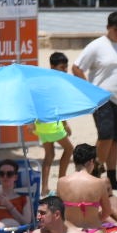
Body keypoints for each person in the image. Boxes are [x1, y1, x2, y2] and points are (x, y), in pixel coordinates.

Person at [74, 12, 117, 190]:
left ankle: (112, 179)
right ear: (108, 28)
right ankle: (94, 173)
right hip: (102, 98)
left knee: (115, 140)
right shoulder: (97, 46)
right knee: (105, 135)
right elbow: (77, 67)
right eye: (116, 30)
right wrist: (89, 89)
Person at [35, 52, 77, 194]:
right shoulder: (57, 81)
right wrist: (65, 124)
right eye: (62, 67)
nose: (65, 70)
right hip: (53, 123)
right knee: (69, 149)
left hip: (41, 123)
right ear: (53, 66)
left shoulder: (42, 81)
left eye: (66, 67)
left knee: (49, 155)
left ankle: (44, 188)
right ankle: (61, 182)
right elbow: (59, 105)